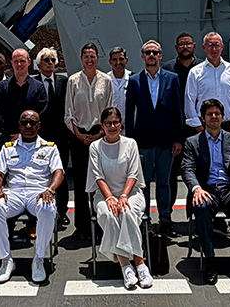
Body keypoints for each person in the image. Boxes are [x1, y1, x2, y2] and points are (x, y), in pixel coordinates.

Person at [183, 99, 230, 285]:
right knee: (201, 205)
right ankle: (210, 260)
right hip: (207, 190)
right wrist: (196, 189)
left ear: (223, 117)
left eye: (217, 114)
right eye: (210, 114)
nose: (214, 117)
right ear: (203, 118)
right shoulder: (192, 142)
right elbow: (187, 169)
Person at [0, 110, 65, 284]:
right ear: (19, 126)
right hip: (13, 193)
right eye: (24, 123)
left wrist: (51, 190)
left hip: (38, 192)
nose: (28, 126)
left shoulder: (49, 148)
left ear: (39, 126)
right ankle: (6, 259)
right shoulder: (8, 148)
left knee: (47, 208)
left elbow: (58, 172)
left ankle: (38, 259)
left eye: (32, 122)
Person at [88, 107, 153, 289]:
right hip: (104, 195)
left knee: (126, 212)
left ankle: (140, 264)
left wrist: (124, 196)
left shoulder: (131, 143)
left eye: (115, 122)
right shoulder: (95, 147)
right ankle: (126, 266)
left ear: (121, 123)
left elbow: (133, 174)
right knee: (109, 215)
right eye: (108, 123)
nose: (112, 126)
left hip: (131, 193)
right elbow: (98, 176)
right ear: (102, 125)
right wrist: (110, 198)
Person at [124, 39, 183, 234]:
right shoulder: (134, 81)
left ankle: (165, 220)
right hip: (143, 140)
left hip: (167, 140)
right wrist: (130, 141)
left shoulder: (172, 78)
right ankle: (145, 219)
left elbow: (177, 110)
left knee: (164, 182)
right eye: (148, 52)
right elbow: (129, 113)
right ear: (142, 56)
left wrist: (178, 138)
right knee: (144, 183)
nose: (151, 56)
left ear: (160, 56)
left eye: (155, 52)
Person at [65, 43, 114, 239]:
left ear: (98, 58)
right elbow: (68, 112)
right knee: (80, 181)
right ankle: (82, 225)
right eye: (86, 56)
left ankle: (101, 223)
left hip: (99, 134)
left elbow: (110, 108)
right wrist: (78, 134)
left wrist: (101, 133)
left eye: (92, 56)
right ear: (81, 58)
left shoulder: (106, 80)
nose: (89, 60)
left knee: (100, 179)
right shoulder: (73, 81)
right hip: (79, 134)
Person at [162, 32, 199, 231]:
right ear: (176, 47)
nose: (185, 47)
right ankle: (166, 218)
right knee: (170, 175)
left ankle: (199, 216)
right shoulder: (167, 70)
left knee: (199, 173)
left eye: (188, 44)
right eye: (181, 44)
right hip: (174, 130)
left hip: (198, 129)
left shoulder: (202, 68)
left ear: (194, 46)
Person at [35, 48, 72, 229]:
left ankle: (62, 211)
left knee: (61, 173)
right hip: (40, 137)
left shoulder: (64, 81)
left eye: (52, 60)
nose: (50, 63)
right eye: (46, 60)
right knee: (42, 174)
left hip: (61, 136)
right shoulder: (33, 83)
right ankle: (40, 211)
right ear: (38, 64)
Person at [184, 32, 230, 133]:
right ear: (204, 47)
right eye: (210, 45)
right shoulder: (195, 72)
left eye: (217, 45)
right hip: (204, 126)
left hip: (228, 126)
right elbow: (189, 101)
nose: (214, 49)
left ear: (222, 47)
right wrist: (198, 127)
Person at [0, 48, 47, 144]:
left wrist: (25, 132)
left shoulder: (38, 87)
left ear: (29, 62)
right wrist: (12, 133)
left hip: (33, 139)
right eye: (16, 61)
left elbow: (42, 113)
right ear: (11, 63)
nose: (19, 64)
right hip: (9, 139)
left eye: (22, 61)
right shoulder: (2, 87)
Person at [108, 47, 131, 112]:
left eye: (121, 59)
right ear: (110, 62)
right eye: (114, 60)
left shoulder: (133, 79)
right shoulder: (105, 80)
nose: (118, 62)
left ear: (126, 60)